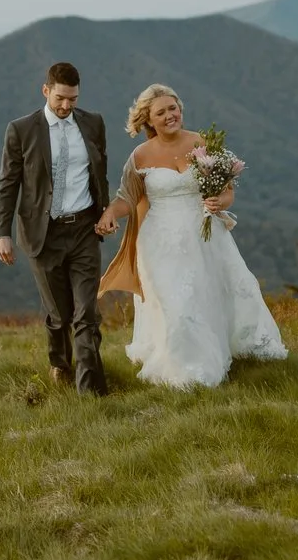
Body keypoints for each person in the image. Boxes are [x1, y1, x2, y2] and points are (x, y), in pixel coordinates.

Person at [98, 83, 287, 389]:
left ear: (181, 110)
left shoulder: (203, 143)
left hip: (205, 236)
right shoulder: (140, 155)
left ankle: (224, 349)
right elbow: (126, 198)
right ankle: (188, 369)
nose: (170, 115)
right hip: (160, 242)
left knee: (208, 296)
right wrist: (109, 214)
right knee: (178, 303)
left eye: (173, 108)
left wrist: (218, 202)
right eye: (161, 112)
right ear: (149, 120)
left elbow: (227, 193)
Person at [0, 61, 117, 394]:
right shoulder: (21, 130)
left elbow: (100, 173)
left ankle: (91, 392)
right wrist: (2, 233)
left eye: (73, 99)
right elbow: (8, 183)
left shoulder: (93, 123)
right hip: (42, 234)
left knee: (86, 312)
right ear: (46, 90)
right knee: (59, 314)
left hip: (84, 231)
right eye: (60, 98)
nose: (66, 106)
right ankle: (60, 363)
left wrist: (105, 212)